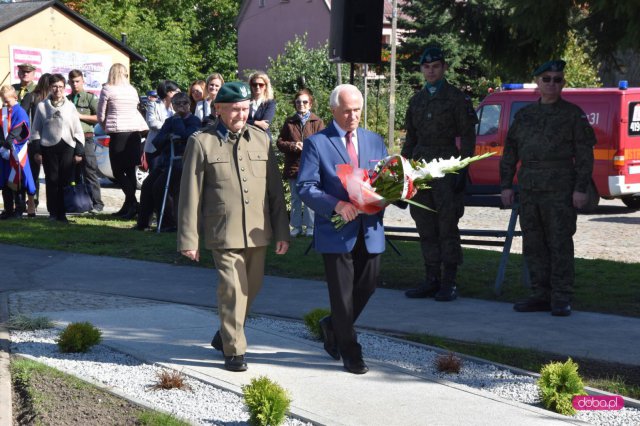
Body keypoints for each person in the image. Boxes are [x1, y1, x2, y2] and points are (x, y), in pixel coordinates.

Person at [177, 82, 289, 372]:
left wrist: (282, 231)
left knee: (252, 287)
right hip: (222, 231)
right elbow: (190, 194)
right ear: (219, 110)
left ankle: (225, 333)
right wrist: (189, 238)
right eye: (235, 109)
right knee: (232, 289)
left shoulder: (261, 139)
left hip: (258, 231)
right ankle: (235, 350)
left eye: (244, 108)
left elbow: (275, 191)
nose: (241, 114)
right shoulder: (202, 142)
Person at [297, 84, 388, 374]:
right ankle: (351, 352)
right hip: (336, 230)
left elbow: (386, 178)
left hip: (370, 228)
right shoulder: (318, 143)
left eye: (357, 110)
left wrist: (398, 190)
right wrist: (335, 205)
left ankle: (332, 325)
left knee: (368, 285)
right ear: (333, 109)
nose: (353, 116)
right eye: (347, 110)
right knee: (341, 295)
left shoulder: (374, 140)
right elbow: (305, 187)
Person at [500, 60, 595, 317]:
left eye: (558, 79)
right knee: (533, 243)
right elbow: (510, 153)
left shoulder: (573, 115)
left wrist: (580, 189)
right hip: (530, 188)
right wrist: (506, 185)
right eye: (547, 79)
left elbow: (585, 156)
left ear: (563, 83)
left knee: (560, 243)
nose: (552, 83)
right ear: (538, 83)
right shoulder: (525, 116)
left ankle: (561, 297)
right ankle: (539, 294)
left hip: (560, 189)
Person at [402, 47, 478, 302]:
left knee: (447, 225)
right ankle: (431, 278)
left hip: (446, 165)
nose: (431, 70)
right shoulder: (417, 100)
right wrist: (404, 170)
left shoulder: (457, 98)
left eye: (435, 66)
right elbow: (411, 138)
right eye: (426, 67)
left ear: (444, 68)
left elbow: (468, 136)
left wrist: (462, 167)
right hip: (421, 167)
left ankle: (449, 281)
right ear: (422, 70)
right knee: (424, 224)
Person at [135, 92, 200, 231]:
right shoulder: (168, 121)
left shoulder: (194, 121)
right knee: (147, 186)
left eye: (185, 103)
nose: (182, 106)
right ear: (173, 105)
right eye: (178, 103)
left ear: (189, 105)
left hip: (182, 161)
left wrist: (177, 123)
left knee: (160, 187)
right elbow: (157, 142)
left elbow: (185, 136)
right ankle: (143, 223)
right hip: (166, 161)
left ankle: (168, 224)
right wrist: (169, 136)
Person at [30, 74, 85, 223]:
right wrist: (37, 150)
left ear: (64, 87)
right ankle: (53, 213)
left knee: (64, 180)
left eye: (61, 86)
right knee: (52, 180)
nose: (58, 90)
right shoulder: (42, 106)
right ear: (49, 87)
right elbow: (35, 130)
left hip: (67, 146)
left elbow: (78, 129)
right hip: (48, 147)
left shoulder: (70, 106)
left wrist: (79, 150)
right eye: (54, 86)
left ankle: (63, 213)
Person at [97, 63, 148, 219]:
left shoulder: (107, 89)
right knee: (130, 171)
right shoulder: (132, 90)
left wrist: (106, 127)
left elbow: (100, 115)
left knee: (118, 171)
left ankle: (133, 203)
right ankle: (128, 207)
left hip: (118, 133)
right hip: (134, 133)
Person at [276, 88, 325, 237]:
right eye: (298, 102)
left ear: (310, 104)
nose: (301, 104)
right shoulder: (289, 122)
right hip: (294, 166)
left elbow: (324, 143)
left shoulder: (317, 122)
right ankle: (296, 227)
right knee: (296, 198)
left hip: (312, 167)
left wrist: (309, 147)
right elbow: (279, 142)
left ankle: (310, 227)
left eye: (305, 102)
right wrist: (293, 145)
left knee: (310, 199)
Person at [67, 69, 103, 213]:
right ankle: (74, 202)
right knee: (71, 173)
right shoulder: (67, 99)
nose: (75, 84)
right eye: (72, 81)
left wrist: (79, 116)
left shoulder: (89, 98)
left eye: (78, 81)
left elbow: (99, 117)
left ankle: (97, 204)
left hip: (86, 138)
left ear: (83, 81)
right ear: (69, 82)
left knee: (89, 171)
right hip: (70, 139)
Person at [0, 85, 35, 220]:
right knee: (6, 182)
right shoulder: (3, 111)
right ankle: (8, 209)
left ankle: (19, 210)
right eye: (3, 100)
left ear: (15, 97)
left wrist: (8, 146)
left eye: (7, 101)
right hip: (4, 152)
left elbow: (17, 131)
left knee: (18, 181)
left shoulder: (20, 112)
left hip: (16, 152)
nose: (5, 103)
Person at [20, 73, 52, 216]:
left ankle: (35, 203)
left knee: (36, 174)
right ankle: (37, 203)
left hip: (42, 140)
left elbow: (22, 118)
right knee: (41, 174)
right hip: (42, 140)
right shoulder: (35, 97)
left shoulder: (36, 97)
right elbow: (23, 118)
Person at [144, 80, 179, 170]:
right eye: (176, 91)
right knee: (154, 175)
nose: (178, 94)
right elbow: (152, 123)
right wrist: (170, 126)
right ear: (169, 92)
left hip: (170, 148)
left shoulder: (176, 108)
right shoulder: (153, 105)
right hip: (154, 148)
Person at [247, 72, 276, 141]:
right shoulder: (245, 101)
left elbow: (265, 124)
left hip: (263, 139)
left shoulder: (270, 103)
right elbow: (239, 120)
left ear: (266, 86)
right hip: (247, 138)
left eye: (261, 85)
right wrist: (256, 122)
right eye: (254, 84)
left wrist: (248, 122)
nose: (257, 87)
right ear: (251, 86)